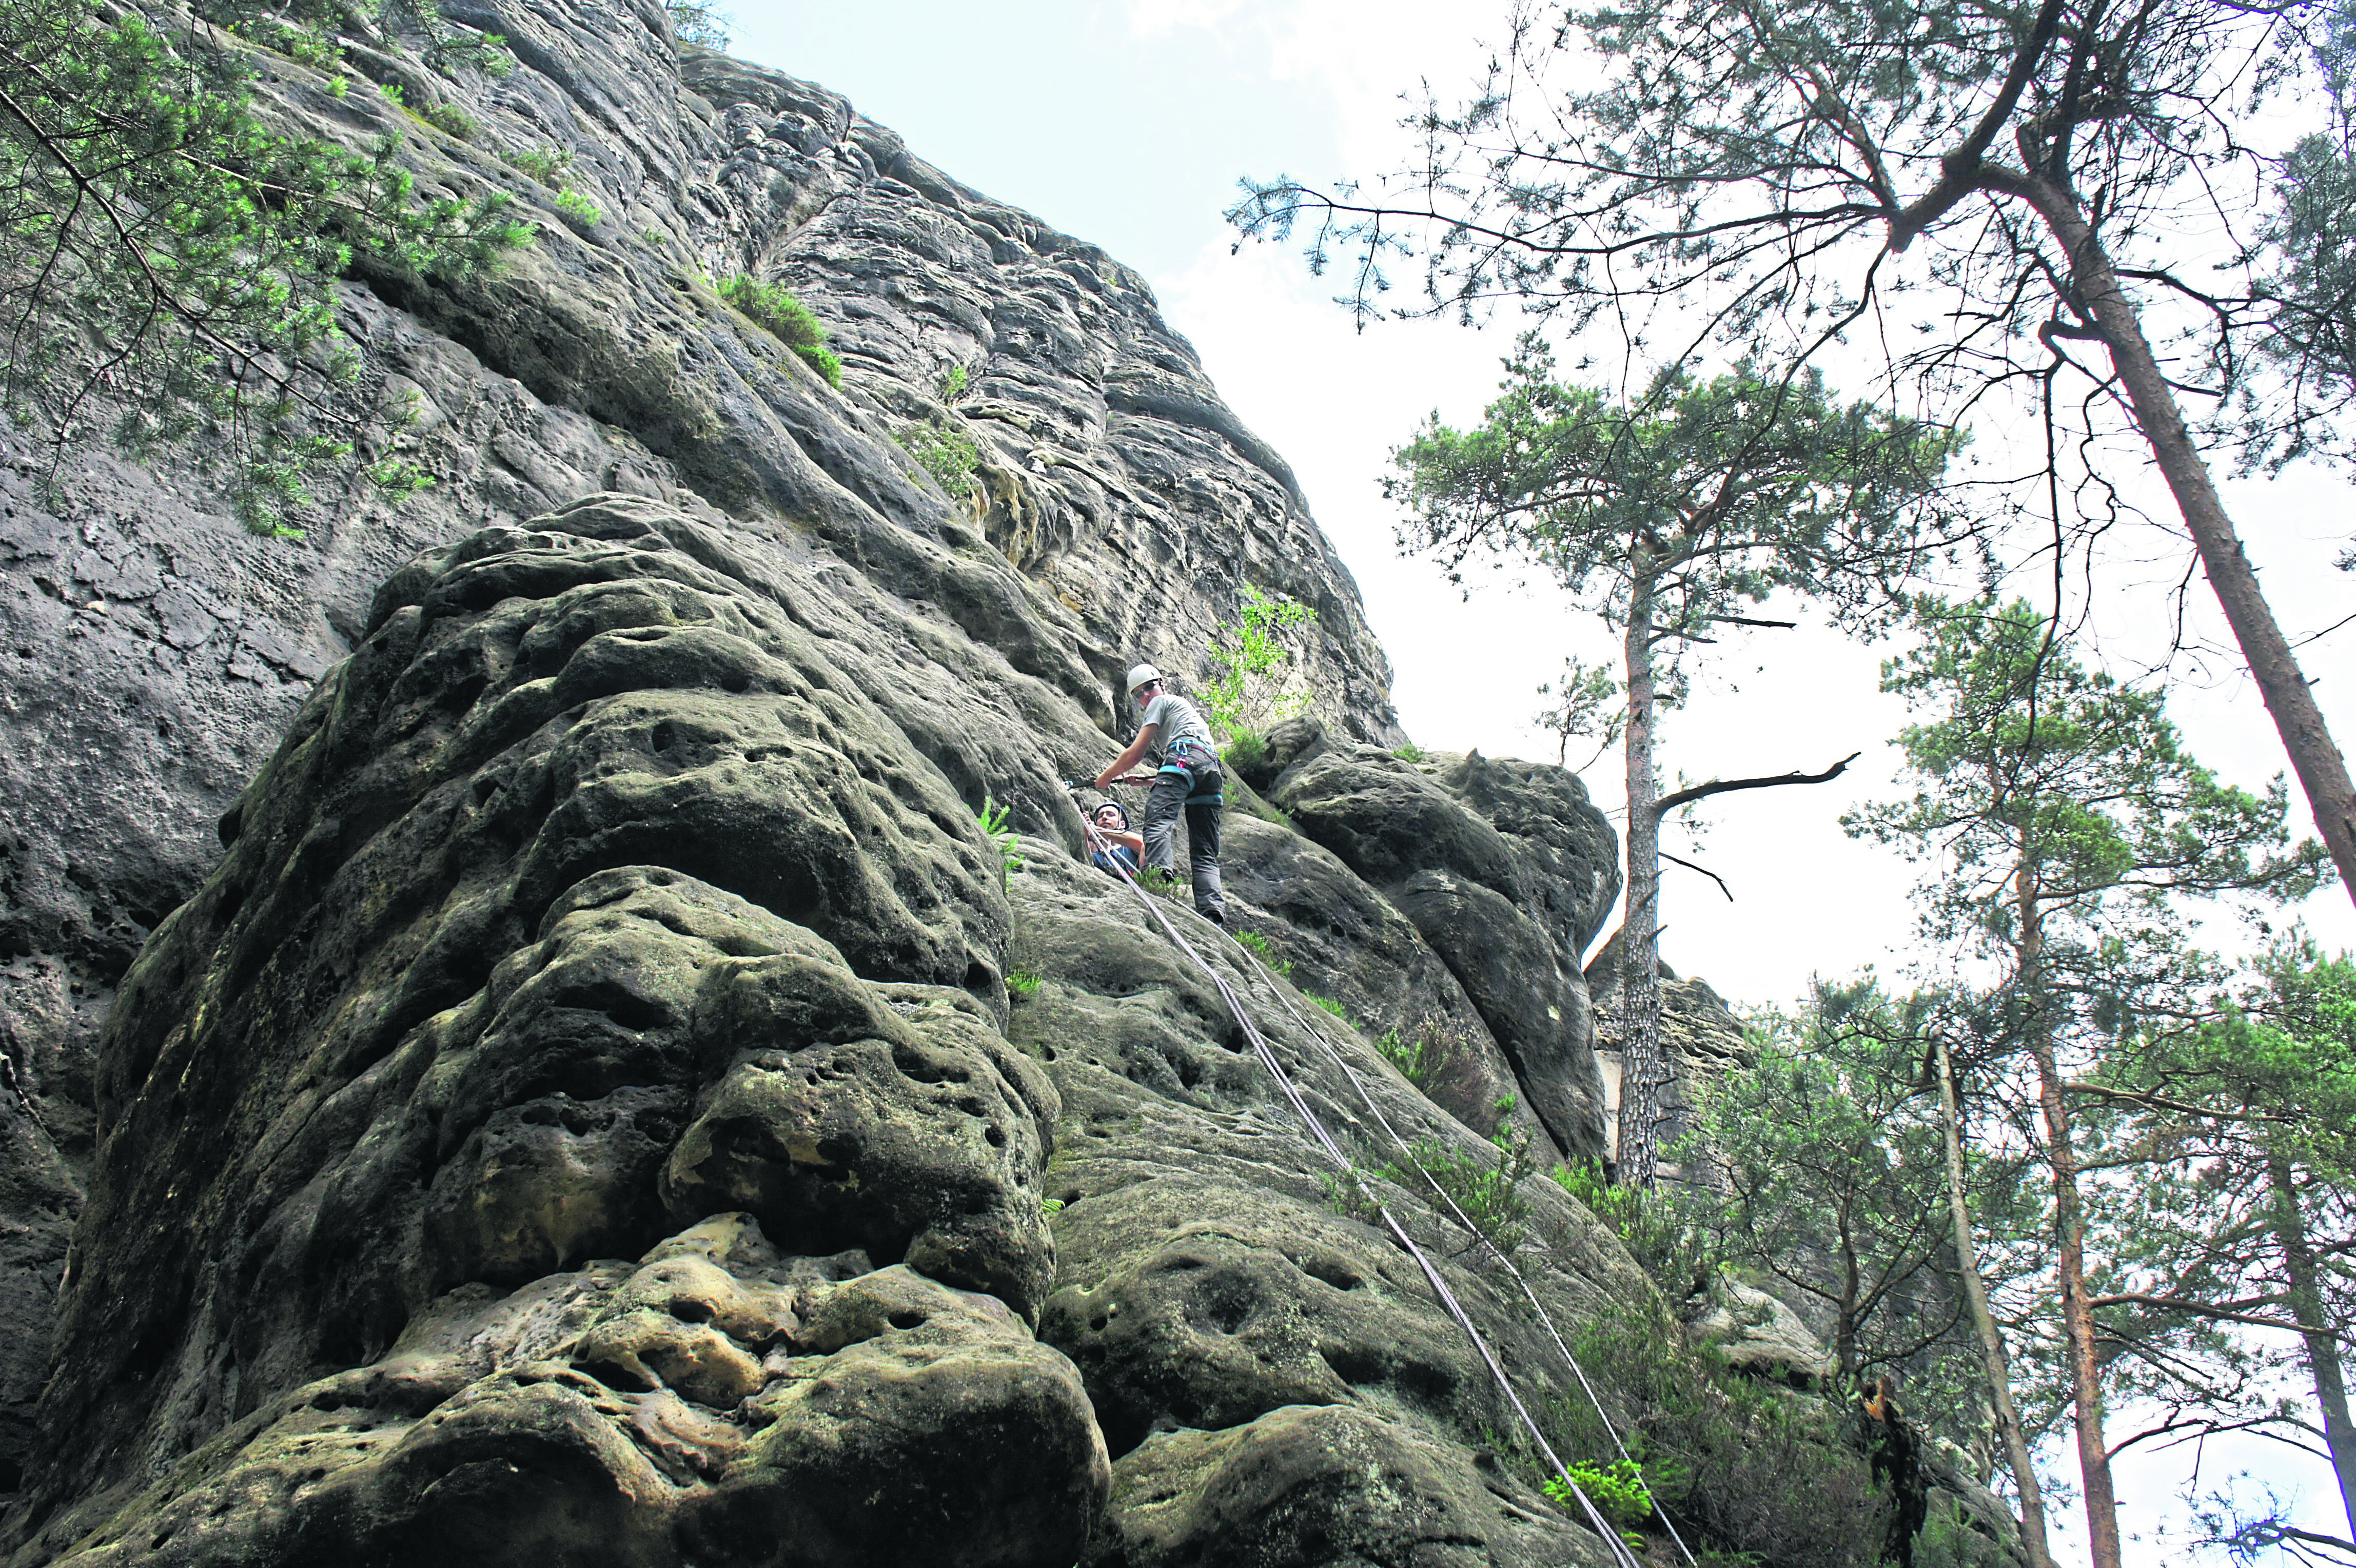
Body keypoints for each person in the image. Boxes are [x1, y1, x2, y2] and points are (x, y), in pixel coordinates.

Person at [1093, 663, 1226, 924]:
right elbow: (1194, 769)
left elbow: (1136, 753)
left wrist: (1106, 777)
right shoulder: (1189, 716)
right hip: (1211, 771)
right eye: (1138, 695)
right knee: (1205, 851)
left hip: (1184, 757)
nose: (1146, 697)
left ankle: (1157, 879)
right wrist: (1148, 781)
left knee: (1158, 821)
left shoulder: (1161, 702)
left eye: (1149, 688)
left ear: (1161, 684)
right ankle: (1212, 914)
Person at [1086, 800, 1144, 878]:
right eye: (1100, 816)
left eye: (1111, 815)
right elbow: (1086, 861)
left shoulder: (1130, 849)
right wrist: (1085, 835)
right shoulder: (1096, 857)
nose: (1104, 817)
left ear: (1122, 824)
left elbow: (1142, 843)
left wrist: (1096, 829)